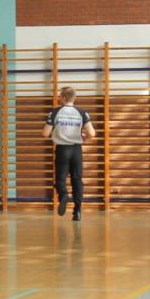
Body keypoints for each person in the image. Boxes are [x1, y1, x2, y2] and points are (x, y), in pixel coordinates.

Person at [42, 87, 96, 221]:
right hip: (76, 150)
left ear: (64, 98)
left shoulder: (55, 112)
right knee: (77, 179)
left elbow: (45, 133)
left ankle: (63, 195)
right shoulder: (82, 112)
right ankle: (77, 211)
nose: (59, 98)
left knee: (60, 179)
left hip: (62, 149)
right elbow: (92, 133)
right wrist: (84, 138)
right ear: (73, 98)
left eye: (60, 96)